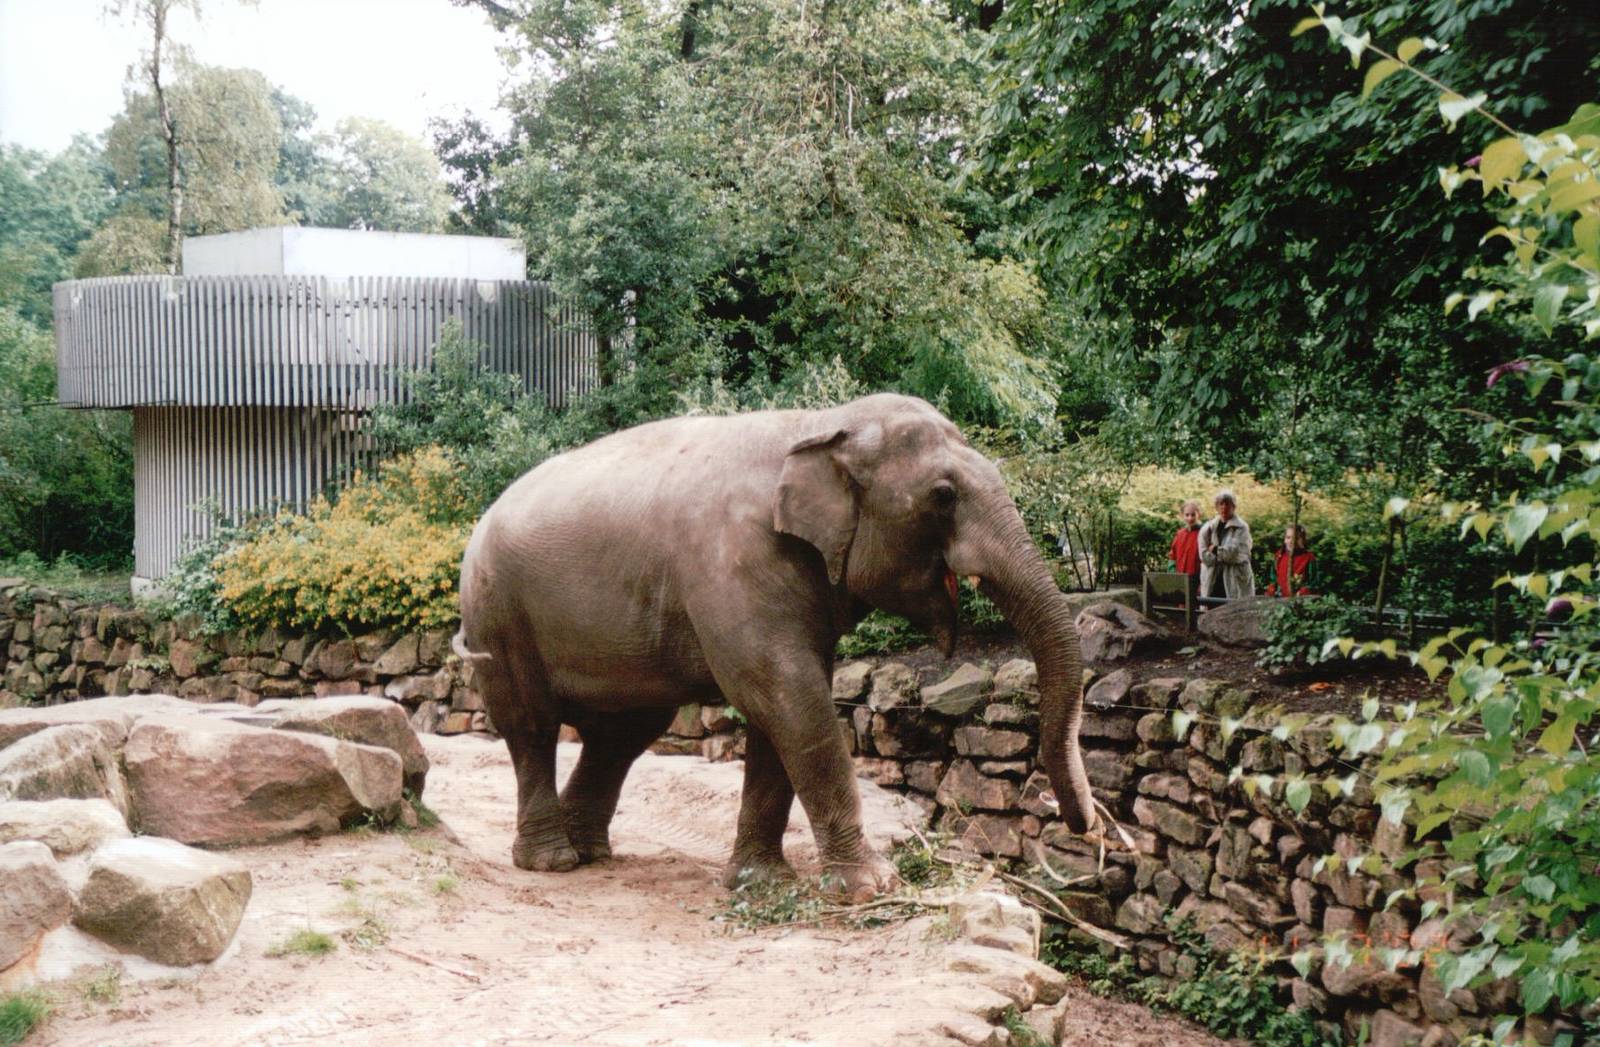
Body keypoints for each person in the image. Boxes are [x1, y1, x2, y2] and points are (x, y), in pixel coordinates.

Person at [1198, 489, 1254, 600]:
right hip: (1213, 579)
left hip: (1235, 579)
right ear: (1216, 506)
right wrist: (1222, 554)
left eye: (1227, 503)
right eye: (1221, 504)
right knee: (1211, 606)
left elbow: (1235, 554)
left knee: (1236, 607)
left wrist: (1215, 550)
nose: (1224, 507)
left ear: (1233, 506)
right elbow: (1204, 556)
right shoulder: (1208, 528)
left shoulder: (1242, 527)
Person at [1265, 523, 1315, 597]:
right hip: (1280, 598)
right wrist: (1273, 588)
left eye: (1296, 538)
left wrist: (1303, 592)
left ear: (1303, 540)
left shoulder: (1309, 557)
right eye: (1288, 537)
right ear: (1284, 539)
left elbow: (1313, 582)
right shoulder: (1279, 555)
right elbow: (1274, 577)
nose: (1291, 541)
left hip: (1299, 599)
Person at [1168, 500, 1203, 580]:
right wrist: (1172, 574)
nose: (1190, 518)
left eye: (1193, 515)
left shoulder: (1203, 533)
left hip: (1197, 578)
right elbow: (1172, 555)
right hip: (1179, 577)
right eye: (1187, 515)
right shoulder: (1180, 534)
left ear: (1199, 514)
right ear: (1182, 515)